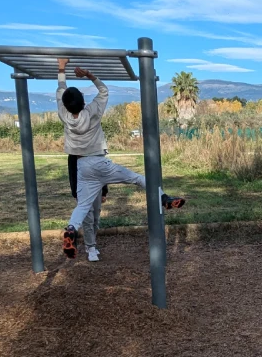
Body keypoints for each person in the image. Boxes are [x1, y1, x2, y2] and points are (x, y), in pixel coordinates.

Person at [56, 58, 184, 261]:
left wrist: (61, 67)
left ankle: (71, 229)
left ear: (65, 106)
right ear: (83, 102)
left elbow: (60, 91)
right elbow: (103, 91)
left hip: (82, 165)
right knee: (137, 178)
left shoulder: (64, 116)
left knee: (82, 206)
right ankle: (163, 198)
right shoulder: (93, 111)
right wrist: (89, 75)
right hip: (100, 163)